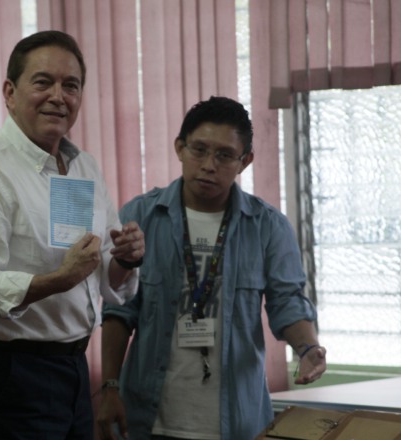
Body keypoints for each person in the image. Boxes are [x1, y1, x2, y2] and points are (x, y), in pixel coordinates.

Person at [0, 30, 144, 440]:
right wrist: (58, 280)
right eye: (43, 82)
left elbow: (104, 278)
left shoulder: (83, 165)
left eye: (71, 85)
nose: (59, 96)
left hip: (71, 366)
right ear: (10, 92)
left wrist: (124, 259)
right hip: (9, 369)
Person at [96, 96, 327, 440]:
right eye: (199, 150)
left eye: (224, 155)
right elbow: (118, 311)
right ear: (179, 147)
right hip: (150, 417)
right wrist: (109, 386)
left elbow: (288, 302)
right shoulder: (142, 215)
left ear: (244, 161)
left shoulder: (267, 226)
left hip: (237, 420)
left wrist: (308, 349)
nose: (208, 165)